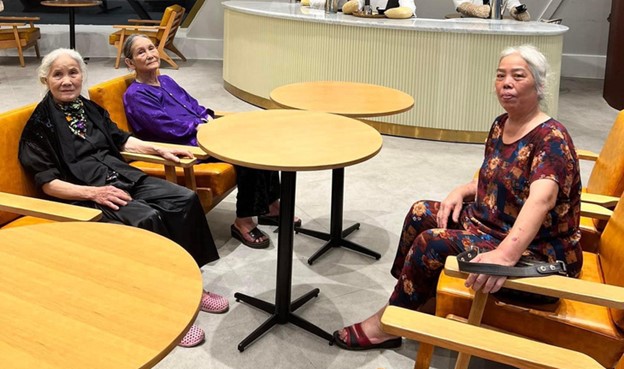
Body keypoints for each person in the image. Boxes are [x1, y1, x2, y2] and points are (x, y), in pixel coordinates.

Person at [333, 44, 582, 350]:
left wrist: (505, 256)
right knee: (420, 212)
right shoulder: (502, 123)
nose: (506, 83)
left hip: (536, 255)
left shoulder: (551, 139)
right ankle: (414, 294)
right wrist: (461, 191)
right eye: (500, 75)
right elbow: (491, 174)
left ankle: (390, 323)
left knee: (432, 241)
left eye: (518, 76)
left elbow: (541, 200)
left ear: (540, 84)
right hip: (491, 226)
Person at [18, 48, 229, 348]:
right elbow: (49, 184)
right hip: (85, 192)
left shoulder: (89, 108)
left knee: (183, 199)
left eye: (73, 73)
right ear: (45, 79)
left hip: (121, 176)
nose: (67, 80)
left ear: (82, 77)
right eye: (58, 74)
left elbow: (120, 138)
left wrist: (158, 150)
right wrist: (95, 192)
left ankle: (193, 284)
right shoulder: (39, 127)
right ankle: (165, 306)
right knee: (146, 218)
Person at [121, 34, 301, 250]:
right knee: (248, 155)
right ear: (130, 63)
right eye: (141, 52)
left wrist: (206, 118)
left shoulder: (166, 80)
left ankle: (271, 206)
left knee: (260, 140)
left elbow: (193, 104)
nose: (150, 55)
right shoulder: (136, 95)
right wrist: (198, 127)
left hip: (205, 133)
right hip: (185, 146)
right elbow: (161, 126)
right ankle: (243, 221)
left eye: (151, 48)